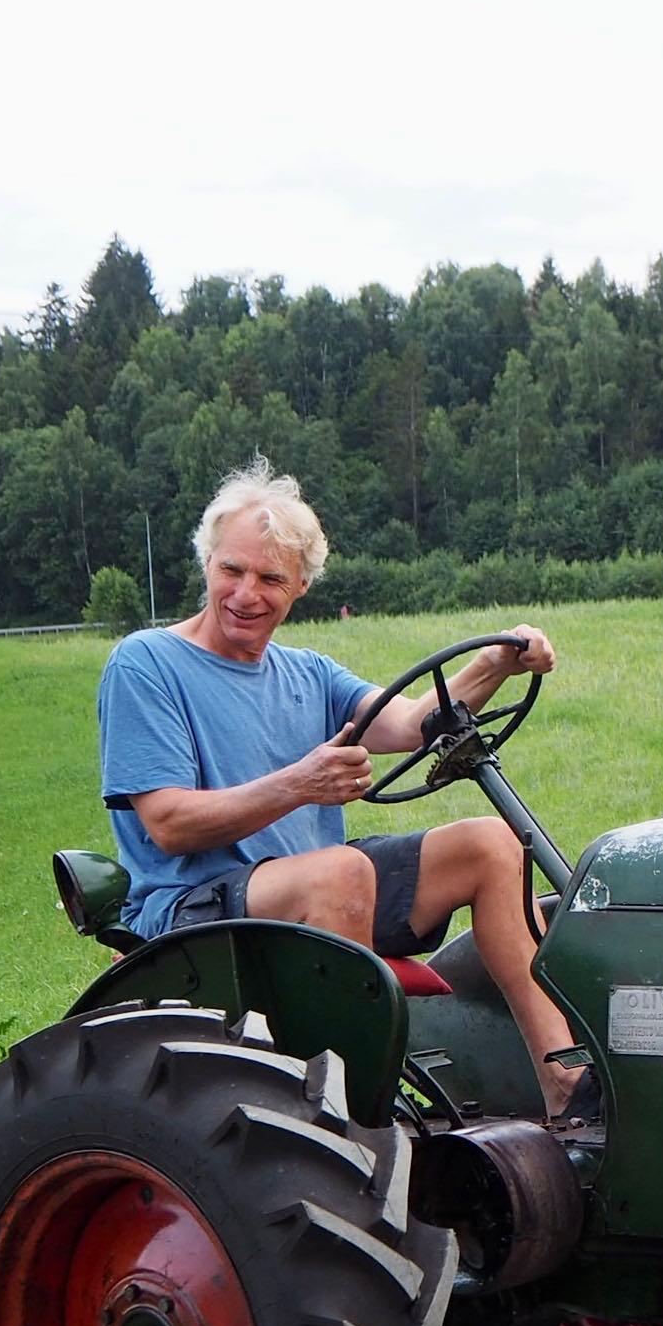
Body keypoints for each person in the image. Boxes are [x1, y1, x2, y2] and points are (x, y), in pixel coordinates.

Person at [96, 458, 587, 1119]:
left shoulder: (308, 673)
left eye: (271, 578)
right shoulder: (148, 662)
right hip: (194, 909)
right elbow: (169, 824)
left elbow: (415, 722)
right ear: (207, 563)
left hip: (310, 885)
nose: (246, 594)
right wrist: (301, 784)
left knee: (491, 844)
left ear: (300, 586)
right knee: (342, 873)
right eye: (231, 570)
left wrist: (495, 662)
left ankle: (563, 1082)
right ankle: (351, 1123)